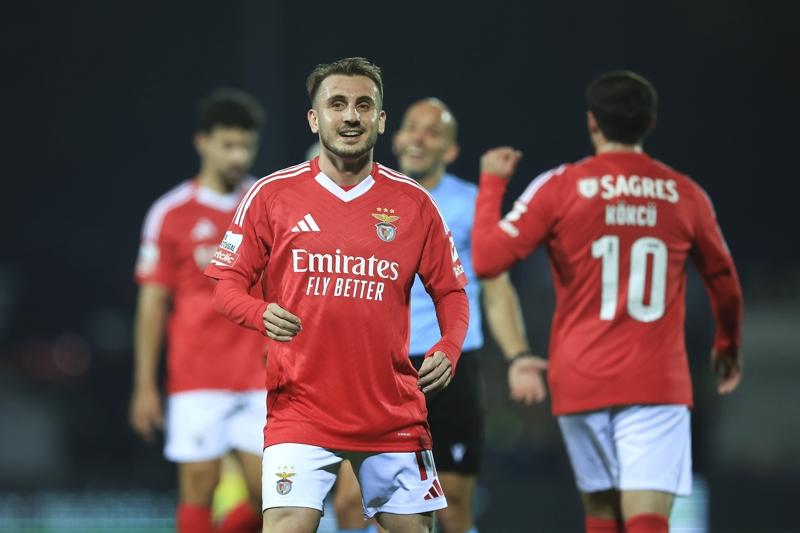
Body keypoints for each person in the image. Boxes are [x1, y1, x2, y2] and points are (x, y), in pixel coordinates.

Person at [204, 57, 470, 533]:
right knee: (287, 524)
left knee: (415, 529)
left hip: (392, 414)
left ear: (381, 121)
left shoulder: (414, 203)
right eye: (337, 104)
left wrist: (449, 346)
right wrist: (258, 313)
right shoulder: (272, 195)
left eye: (364, 105)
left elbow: (451, 290)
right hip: (300, 409)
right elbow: (225, 284)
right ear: (315, 118)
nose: (351, 116)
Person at [470, 71, 744, 533]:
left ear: (592, 122)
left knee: (601, 514)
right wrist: (728, 344)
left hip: (582, 377)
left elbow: (487, 258)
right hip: (656, 381)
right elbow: (724, 280)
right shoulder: (684, 193)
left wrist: (492, 184)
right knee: (646, 519)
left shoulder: (561, 186)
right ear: (650, 123)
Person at [332, 98, 547, 533]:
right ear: (395, 136)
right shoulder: (362, 195)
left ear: (450, 150)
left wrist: (518, 355)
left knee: (451, 509)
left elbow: (496, 287)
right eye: (412, 127)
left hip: (447, 367)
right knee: (352, 505)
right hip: (378, 367)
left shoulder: (470, 204)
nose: (418, 138)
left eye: (432, 132)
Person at [130, 88, 267, 533]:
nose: (238, 156)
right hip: (196, 375)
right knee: (198, 488)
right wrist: (144, 385)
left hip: (260, 375)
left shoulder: (265, 205)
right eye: (228, 144)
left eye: (246, 145)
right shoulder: (170, 213)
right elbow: (152, 303)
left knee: (270, 496)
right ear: (202, 142)